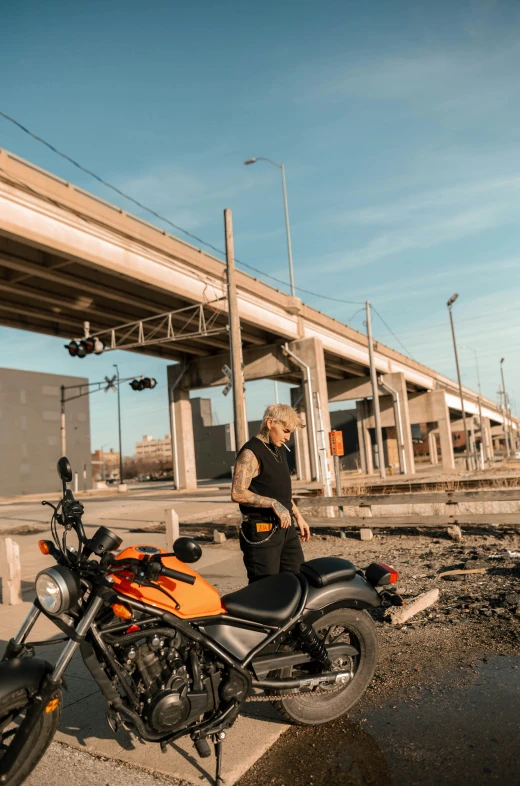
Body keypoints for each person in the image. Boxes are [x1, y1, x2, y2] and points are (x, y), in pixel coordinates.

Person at [231, 403, 311, 583]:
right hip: (262, 531)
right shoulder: (250, 453)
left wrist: (298, 516)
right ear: (270, 423)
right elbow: (237, 493)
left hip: (286, 528)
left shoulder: (279, 449)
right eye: (285, 431)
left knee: (297, 581)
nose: (288, 437)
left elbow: (280, 491)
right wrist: (273, 504)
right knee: (265, 588)